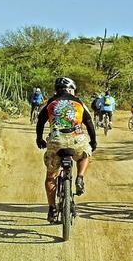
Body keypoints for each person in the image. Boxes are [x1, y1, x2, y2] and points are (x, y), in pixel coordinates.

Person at [36, 77, 97, 222]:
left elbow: (40, 121)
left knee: (51, 176)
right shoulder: (78, 102)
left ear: (56, 90)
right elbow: (89, 122)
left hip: (56, 141)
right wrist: (93, 141)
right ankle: (80, 177)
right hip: (77, 140)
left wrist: (39, 139)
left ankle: (52, 209)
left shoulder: (51, 102)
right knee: (84, 155)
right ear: (72, 89)